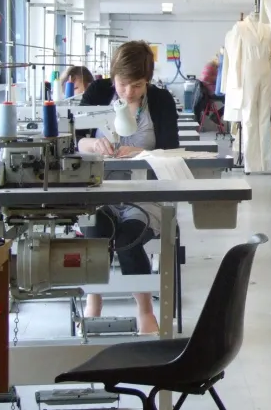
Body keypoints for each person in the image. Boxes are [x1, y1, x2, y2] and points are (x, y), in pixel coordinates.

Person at [76, 41, 179, 334]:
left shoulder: (161, 101)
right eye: (123, 84)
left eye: (136, 85)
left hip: (144, 195)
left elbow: (171, 151)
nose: (129, 92)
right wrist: (93, 144)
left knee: (128, 240)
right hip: (99, 191)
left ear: (147, 79)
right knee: (97, 233)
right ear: (113, 76)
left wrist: (139, 153)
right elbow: (75, 140)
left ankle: (144, 310)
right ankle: (94, 301)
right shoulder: (97, 92)